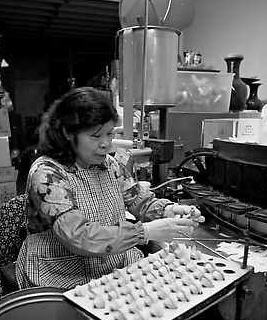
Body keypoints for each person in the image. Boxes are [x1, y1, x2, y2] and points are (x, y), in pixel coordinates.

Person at [15, 87, 204, 290]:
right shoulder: (48, 175)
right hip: (61, 273)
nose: (106, 144)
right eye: (96, 136)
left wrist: (167, 210)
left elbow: (138, 199)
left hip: (110, 266)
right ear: (67, 133)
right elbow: (80, 236)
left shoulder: (110, 166)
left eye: (110, 134)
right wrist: (145, 232)